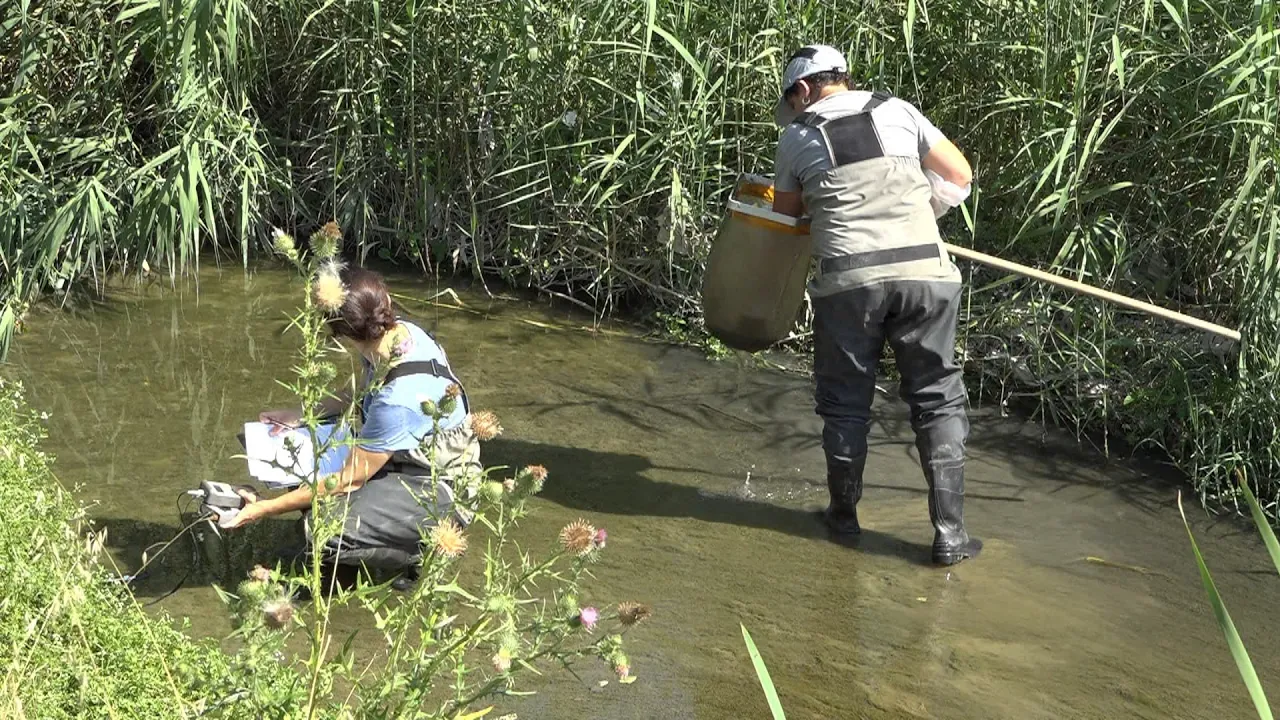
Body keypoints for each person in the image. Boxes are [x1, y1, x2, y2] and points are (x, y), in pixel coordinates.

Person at [770, 44, 982, 566]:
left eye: (791, 100)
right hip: (925, 273)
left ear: (803, 90)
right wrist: (922, 207)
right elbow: (959, 175)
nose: (792, 109)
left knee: (846, 403)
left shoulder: (796, 136)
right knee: (938, 400)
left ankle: (843, 520)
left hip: (850, 282)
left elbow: (788, 216)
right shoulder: (898, 110)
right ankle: (950, 535)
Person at [223, 266, 482, 579]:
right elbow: (360, 390)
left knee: (322, 528)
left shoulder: (396, 401)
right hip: (408, 462)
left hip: (441, 490)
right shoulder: (398, 335)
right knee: (303, 463)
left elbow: (347, 480)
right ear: (385, 301)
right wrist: (302, 414)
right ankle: (375, 537)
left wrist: (264, 508)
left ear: (340, 332)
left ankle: (421, 552)